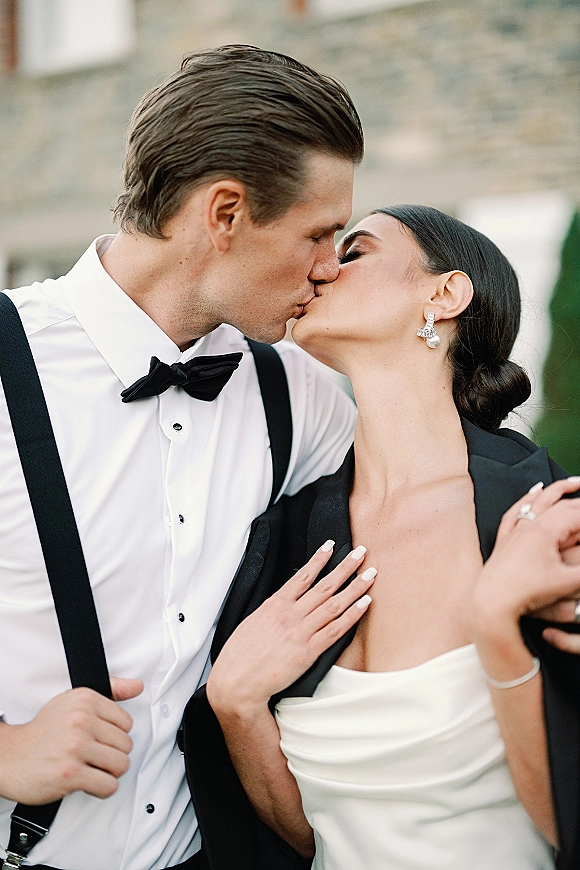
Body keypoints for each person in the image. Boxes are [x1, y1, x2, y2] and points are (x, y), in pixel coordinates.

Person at [0, 46, 365, 870]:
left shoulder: (296, 393)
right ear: (226, 212)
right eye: (319, 232)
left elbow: (434, 489)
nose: (329, 266)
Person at [201, 205, 580, 870]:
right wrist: (236, 708)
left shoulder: (545, 516)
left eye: (355, 250)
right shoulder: (284, 537)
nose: (320, 269)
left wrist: (495, 623)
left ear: (443, 294)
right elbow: (316, 839)